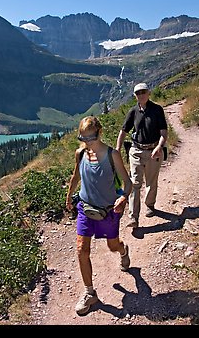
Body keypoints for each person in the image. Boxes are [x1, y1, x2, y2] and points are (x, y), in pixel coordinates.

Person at [65, 116, 133, 316]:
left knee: (112, 246)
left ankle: (123, 250)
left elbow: (127, 182)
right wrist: (69, 196)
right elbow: (76, 177)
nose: (87, 142)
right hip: (86, 209)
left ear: (99, 133)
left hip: (109, 211)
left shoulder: (112, 155)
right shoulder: (81, 154)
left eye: (91, 138)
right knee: (81, 250)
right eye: (83, 138)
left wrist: (124, 197)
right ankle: (89, 293)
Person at [116, 82, 168, 228]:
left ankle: (150, 205)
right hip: (136, 151)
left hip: (153, 150)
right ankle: (133, 217)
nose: (141, 95)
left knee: (151, 181)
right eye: (138, 93)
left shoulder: (157, 110)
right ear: (135, 96)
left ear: (149, 92)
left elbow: (164, 132)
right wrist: (117, 149)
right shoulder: (133, 111)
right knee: (134, 183)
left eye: (143, 92)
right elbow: (123, 131)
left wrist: (159, 146)